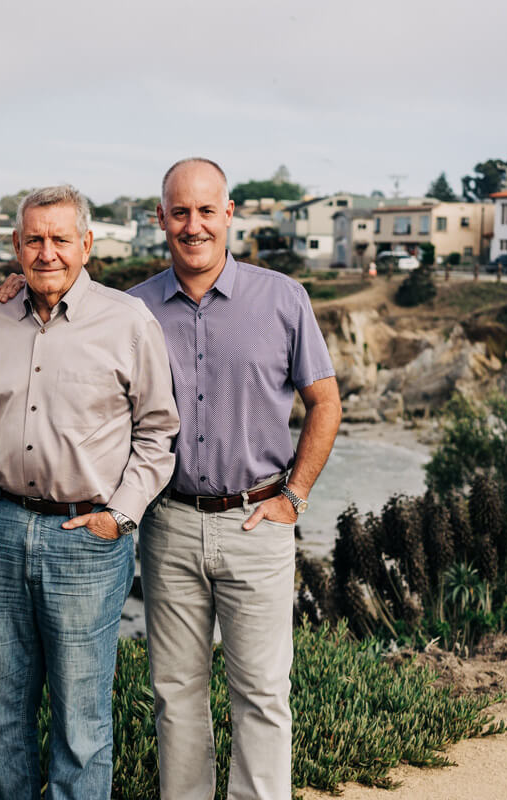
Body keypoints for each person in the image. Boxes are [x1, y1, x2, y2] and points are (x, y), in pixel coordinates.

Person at [128, 158, 342, 800]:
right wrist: (7, 292)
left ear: (230, 215)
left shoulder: (284, 299)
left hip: (257, 522)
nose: (194, 226)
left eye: (207, 210)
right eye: (180, 212)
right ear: (161, 218)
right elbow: (52, 302)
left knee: (262, 694)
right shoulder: (132, 309)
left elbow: (325, 401)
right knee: (176, 694)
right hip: (166, 526)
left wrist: (295, 497)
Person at [0, 185, 179, 800]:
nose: (47, 251)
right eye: (35, 239)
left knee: (80, 722)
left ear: (87, 245)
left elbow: (159, 432)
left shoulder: (128, 321)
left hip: (86, 538)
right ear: (17, 247)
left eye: (61, 239)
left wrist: (120, 515)